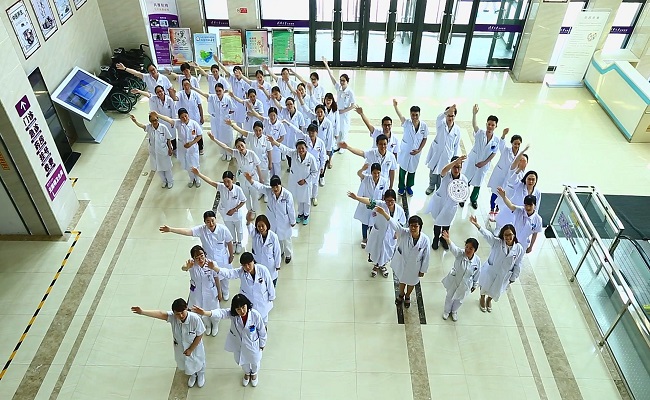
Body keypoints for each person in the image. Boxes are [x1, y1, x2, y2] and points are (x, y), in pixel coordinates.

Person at [192, 294, 267, 387]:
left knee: (255, 361)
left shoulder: (255, 315)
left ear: (247, 305)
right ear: (235, 309)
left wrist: (262, 344)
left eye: (243, 307)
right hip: (239, 344)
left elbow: (262, 331)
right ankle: (247, 373)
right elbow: (221, 313)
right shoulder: (233, 315)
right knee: (242, 361)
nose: (242, 311)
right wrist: (205, 313)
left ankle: (254, 373)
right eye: (238, 309)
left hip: (253, 344)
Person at [159, 210, 236, 300]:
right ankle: (217, 292)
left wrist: (231, 255)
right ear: (204, 222)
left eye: (212, 220)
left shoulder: (223, 229)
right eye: (208, 221)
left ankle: (225, 291)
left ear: (215, 219)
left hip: (223, 259)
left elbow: (229, 242)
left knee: (224, 277)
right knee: (213, 278)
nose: (211, 223)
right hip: (209, 261)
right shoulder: (201, 230)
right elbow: (187, 231)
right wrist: (171, 229)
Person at [131, 298, 206, 388]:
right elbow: (160, 313)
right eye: (177, 314)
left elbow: (200, 335)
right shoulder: (173, 317)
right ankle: (193, 375)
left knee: (198, 361)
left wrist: (191, 349)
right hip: (180, 348)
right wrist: (142, 312)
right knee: (186, 364)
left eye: (182, 312)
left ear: (186, 308)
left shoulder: (195, 319)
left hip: (194, 347)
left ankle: (201, 374)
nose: (181, 316)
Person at [374, 206, 430, 307]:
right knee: (402, 280)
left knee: (411, 282)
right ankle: (401, 294)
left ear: (420, 227)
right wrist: (383, 213)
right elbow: (394, 223)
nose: (413, 228)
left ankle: (407, 295)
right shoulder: (404, 233)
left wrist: (423, 270)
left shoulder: (425, 240)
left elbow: (426, 257)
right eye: (411, 226)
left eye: (415, 226)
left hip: (415, 266)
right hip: (402, 263)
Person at [469, 215, 524, 312]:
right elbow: (488, 235)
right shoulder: (497, 243)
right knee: (485, 284)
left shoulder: (519, 248)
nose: (508, 237)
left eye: (510, 234)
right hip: (491, 270)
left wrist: (513, 277)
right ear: (502, 235)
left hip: (504, 274)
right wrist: (477, 225)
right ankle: (482, 298)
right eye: (505, 235)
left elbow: (518, 264)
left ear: (514, 234)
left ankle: (489, 300)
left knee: (496, 289)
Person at [207, 252, 275, 324]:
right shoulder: (241, 271)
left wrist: (272, 297)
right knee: (250, 320)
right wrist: (215, 268)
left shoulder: (262, 270)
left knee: (263, 320)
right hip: (248, 301)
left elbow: (270, 284)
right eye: (244, 265)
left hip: (262, 301)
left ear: (253, 261)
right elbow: (229, 273)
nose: (247, 267)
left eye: (249, 264)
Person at [349, 190, 405, 278]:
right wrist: (357, 198)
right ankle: (376, 266)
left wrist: (397, 233)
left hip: (391, 236)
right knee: (376, 250)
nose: (389, 203)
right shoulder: (380, 205)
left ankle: (382, 265)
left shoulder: (399, 210)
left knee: (387, 252)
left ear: (395, 200)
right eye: (387, 201)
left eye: (392, 201)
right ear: (384, 199)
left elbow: (401, 222)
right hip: (379, 232)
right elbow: (369, 201)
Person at [244, 173, 296, 264]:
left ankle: (288, 254)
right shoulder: (269, 191)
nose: (275, 189)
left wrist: (292, 221)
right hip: (273, 221)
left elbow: (291, 210)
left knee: (286, 239)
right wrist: (251, 181)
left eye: (277, 186)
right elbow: (260, 187)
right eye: (273, 187)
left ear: (280, 185)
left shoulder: (287, 195)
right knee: (276, 238)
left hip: (284, 221)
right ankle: (281, 251)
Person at [192, 169, 247, 254]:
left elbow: (243, 201)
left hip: (236, 214)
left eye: (228, 181)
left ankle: (239, 243)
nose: (226, 184)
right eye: (224, 181)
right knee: (230, 230)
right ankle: (234, 242)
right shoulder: (221, 187)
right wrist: (199, 174)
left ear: (232, 180)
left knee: (239, 230)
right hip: (226, 214)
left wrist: (235, 209)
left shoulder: (238, 189)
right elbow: (210, 181)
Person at [267, 136, 318, 225]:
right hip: (296, 182)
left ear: (306, 148)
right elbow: (285, 149)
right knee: (299, 199)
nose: (301, 150)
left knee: (306, 200)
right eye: (299, 148)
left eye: (302, 148)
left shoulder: (311, 158)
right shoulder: (294, 154)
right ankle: (300, 214)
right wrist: (274, 142)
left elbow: (314, 172)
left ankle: (306, 215)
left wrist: (306, 180)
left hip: (306, 183)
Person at [207, 135, 262, 215]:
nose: (241, 148)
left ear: (245, 144)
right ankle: (249, 210)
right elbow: (225, 147)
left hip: (253, 177)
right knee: (246, 195)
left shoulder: (251, 154)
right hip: (243, 178)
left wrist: (261, 178)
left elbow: (258, 166)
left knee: (254, 195)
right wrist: (214, 139)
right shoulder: (236, 153)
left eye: (242, 145)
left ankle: (255, 211)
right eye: (238, 146)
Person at [461, 104, 502, 209]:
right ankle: (462, 197)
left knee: (478, 183)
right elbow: (474, 125)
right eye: (489, 124)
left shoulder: (496, 140)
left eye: (492, 125)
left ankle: (473, 200)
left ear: (496, 126)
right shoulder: (480, 133)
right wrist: (474, 114)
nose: (490, 127)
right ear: (486, 124)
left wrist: (484, 162)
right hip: (473, 161)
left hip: (483, 165)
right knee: (466, 180)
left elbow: (494, 153)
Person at [425, 155, 468, 250]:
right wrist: (455, 161)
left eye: (459, 167)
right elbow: (443, 170)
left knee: (446, 224)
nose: (456, 169)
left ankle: (443, 239)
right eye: (454, 167)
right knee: (437, 223)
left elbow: (464, 193)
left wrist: (462, 199)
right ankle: (436, 238)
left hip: (451, 206)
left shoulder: (464, 179)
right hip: (440, 203)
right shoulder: (446, 175)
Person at [154, 109, 202, 188]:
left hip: (192, 148)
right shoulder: (178, 123)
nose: (184, 118)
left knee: (195, 164)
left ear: (188, 115)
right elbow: (168, 119)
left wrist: (191, 143)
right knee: (187, 165)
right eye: (182, 117)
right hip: (182, 148)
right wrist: (157, 115)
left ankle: (197, 179)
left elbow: (199, 136)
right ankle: (191, 179)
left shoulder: (194, 124)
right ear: (179, 118)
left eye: (185, 116)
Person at [440, 230, 481, 322]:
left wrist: (475, 285)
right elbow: (453, 248)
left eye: (471, 248)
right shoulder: (460, 254)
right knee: (449, 297)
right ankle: (446, 311)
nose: (467, 250)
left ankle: (454, 311)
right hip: (455, 280)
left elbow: (477, 273)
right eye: (467, 247)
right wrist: (448, 240)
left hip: (465, 284)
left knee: (460, 299)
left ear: (475, 250)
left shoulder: (477, 261)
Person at [283, 121, 326, 206]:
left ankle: (314, 197)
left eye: (313, 132)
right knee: (306, 183)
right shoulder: (305, 138)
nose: (311, 134)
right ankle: (306, 197)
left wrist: (322, 166)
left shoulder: (320, 143)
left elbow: (323, 156)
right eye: (309, 132)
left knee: (315, 183)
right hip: (306, 165)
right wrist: (287, 123)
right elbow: (296, 131)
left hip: (316, 165)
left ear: (317, 132)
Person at [182, 245, 222, 335]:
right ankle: (208, 325)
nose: (200, 259)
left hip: (210, 292)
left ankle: (215, 325)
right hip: (197, 294)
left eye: (202, 256)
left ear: (205, 254)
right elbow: (183, 268)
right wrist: (187, 267)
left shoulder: (211, 263)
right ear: (193, 258)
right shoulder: (192, 265)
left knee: (213, 309)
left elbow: (216, 279)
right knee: (200, 311)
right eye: (197, 258)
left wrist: (219, 293)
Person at [191, 82, 235, 161]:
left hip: (226, 122)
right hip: (217, 122)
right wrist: (193, 88)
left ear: (223, 90)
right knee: (220, 138)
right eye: (216, 91)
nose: (218, 93)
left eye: (220, 91)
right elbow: (204, 94)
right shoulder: (213, 98)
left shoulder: (227, 99)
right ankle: (223, 153)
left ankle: (229, 153)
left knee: (228, 138)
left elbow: (232, 110)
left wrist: (229, 117)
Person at [349, 163, 389, 249]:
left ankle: (371, 238)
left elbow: (384, 195)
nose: (376, 175)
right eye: (374, 173)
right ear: (371, 173)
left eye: (378, 173)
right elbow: (359, 173)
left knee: (374, 222)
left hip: (377, 205)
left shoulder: (384, 181)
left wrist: (382, 206)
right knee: (365, 222)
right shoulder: (366, 179)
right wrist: (362, 169)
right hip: (366, 204)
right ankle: (364, 238)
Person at [394, 99, 429, 197]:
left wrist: (419, 150)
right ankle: (401, 187)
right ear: (410, 114)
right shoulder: (407, 123)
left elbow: (425, 138)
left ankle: (409, 187)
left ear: (419, 114)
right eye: (412, 115)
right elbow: (400, 116)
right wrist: (395, 106)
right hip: (406, 151)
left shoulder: (424, 126)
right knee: (402, 169)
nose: (414, 117)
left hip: (416, 153)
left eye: (416, 115)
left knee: (412, 170)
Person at [129, 112, 173, 188]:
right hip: (154, 152)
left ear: (158, 119)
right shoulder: (149, 127)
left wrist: (170, 149)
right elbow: (142, 126)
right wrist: (135, 121)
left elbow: (168, 139)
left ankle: (170, 181)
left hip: (163, 151)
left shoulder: (163, 127)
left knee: (166, 168)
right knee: (159, 168)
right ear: (150, 121)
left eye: (155, 120)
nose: (154, 122)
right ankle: (164, 181)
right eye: (152, 121)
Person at [425, 104, 461, 196]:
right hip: (436, 153)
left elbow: (456, 145)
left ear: (455, 116)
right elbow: (439, 118)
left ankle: (439, 189)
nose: (450, 118)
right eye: (448, 115)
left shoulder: (457, 130)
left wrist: (454, 160)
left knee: (443, 174)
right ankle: (431, 186)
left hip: (447, 156)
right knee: (433, 172)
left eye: (452, 116)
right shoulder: (441, 124)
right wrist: (448, 111)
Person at [229, 121, 273, 194]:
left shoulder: (266, 139)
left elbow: (269, 151)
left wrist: (270, 163)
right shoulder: (250, 136)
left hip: (264, 163)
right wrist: (231, 124)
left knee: (266, 180)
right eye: (256, 130)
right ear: (253, 130)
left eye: (260, 130)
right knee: (257, 180)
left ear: (263, 130)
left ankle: (266, 194)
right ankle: (260, 193)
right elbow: (240, 130)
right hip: (254, 164)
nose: (258, 132)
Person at [297, 100, 335, 186]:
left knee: (323, 161)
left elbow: (330, 137)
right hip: (313, 143)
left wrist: (329, 149)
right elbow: (306, 110)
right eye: (318, 112)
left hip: (323, 145)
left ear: (324, 112)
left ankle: (322, 176)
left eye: (321, 112)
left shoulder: (328, 123)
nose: (319, 114)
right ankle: (311, 176)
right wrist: (300, 99)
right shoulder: (314, 119)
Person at [130, 85, 177, 153]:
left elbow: (174, 112)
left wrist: (173, 121)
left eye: (160, 91)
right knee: (163, 137)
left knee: (172, 136)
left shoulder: (169, 100)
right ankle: (166, 149)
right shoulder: (155, 99)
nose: (160, 93)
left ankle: (174, 149)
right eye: (157, 92)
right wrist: (139, 91)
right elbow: (148, 95)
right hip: (161, 122)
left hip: (169, 122)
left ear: (163, 91)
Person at [487, 130, 522, 221]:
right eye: (515, 143)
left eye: (518, 144)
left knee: (503, 195)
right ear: (511, 143)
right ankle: (491, 210)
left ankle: (497, 210)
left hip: (509, 179)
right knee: (495, 193)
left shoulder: (520, 156)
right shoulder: (506, 150)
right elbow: (501, 143)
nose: (516, 146)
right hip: (499, 176)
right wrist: (503, 135)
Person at [322, 57, 355, 151]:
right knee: (337, 128)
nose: (341, 82)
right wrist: (326, 65)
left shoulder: (350, 92)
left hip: (344, 114)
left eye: (343, 80)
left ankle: (343, 147)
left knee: (344, 130)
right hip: (337, 112)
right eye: (341, 80)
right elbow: (332, 78)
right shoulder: (339, 88)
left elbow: (353, 105)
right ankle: (337, 144)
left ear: (347, 81)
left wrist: (343, 111)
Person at [497, 188, 543, 254]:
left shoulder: (538, 219)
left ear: (535, 205)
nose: (528, 208)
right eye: (526, 205)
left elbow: (535, 234)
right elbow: (510, 205)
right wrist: (504, 197)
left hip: (523, 243)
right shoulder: (520, 211)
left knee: (518, 257)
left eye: (530, 205)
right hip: (512, 239)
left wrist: (531, 247)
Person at [248, 106, 286, 177]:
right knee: (269, 167)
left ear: (277, 115)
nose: (272, 117)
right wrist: (251, 109)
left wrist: (273, 143)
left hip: (276, 149)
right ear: (268, 115)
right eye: (271, 115)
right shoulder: (266, 121)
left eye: (274, 115)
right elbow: (257, 115)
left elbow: (282, 138)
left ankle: (277, 180)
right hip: (265, 147)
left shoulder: (280, 125)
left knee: (277, 167)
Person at [246, 213, 282, 286]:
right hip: (258, 263)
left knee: (271, 284)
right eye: (258, 226)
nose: (261, 228)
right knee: (260, 283)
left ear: (267, 225)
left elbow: (277, 252)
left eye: (262, 226)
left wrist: (277, 265)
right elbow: (250, 228)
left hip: (270, 265)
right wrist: (249, 221)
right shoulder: (255, 234)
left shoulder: (273, 237)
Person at [215, 61, 251, 127]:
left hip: (243, 103)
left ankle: (244, 130)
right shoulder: (233, 79)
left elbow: (248, 93)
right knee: (237, 119)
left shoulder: (245, 82)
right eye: (235, 72)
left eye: (238, 72)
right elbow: (225, 71)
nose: (236, 74)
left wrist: (248, 104)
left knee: (244, 119)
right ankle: (239, 131)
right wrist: (218, 62)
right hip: (235, 102)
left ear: (241, 72)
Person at [275, 97, 306, 172]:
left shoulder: (299, 115)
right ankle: (290, 166)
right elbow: (279, 106)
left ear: (294, 104)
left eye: (291, 104)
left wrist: (300, 139)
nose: (289, 106)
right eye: (287, 104)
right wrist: (273, 98)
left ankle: (296, 167)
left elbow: (301, 127)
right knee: (288, 153)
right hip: (287, 138)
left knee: (296, 154)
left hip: (295, 138)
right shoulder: (285, 112)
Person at [176, 78, 205, 155]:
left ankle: (201, 147)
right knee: (189, 133)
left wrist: (202, 117)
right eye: (184, 85)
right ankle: (189, 146)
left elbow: (200, 106)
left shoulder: (195, 94)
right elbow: (175, 98)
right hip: (185, 118)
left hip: (195, 117)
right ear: (182, 86)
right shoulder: (180, 94)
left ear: (190, 84)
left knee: (198, 132)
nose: (186, 86)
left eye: (187, 84)